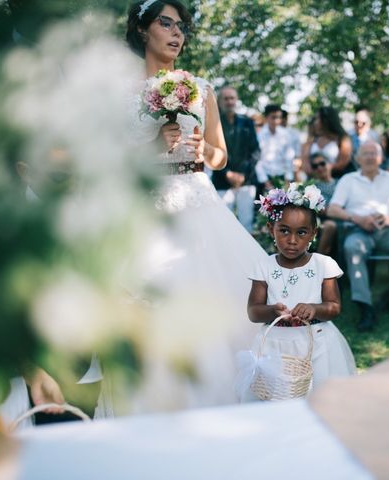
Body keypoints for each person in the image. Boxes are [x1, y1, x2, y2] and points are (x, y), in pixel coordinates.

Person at [125, 0, 267, 410]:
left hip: (198, 197)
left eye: (181, 27)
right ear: (141, 30)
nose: (176, 34)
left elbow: (222, 156)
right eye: (165, 23)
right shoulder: (121, 94)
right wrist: (154, 143)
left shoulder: (200, 87)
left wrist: (201, 147)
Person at [245, 184, 356, 396]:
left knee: (319, 396)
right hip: (274, 345)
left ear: (313, 233)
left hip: (316, 343)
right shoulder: (264, 266)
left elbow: (334, 307)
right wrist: (272, 311)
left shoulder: (323, 265)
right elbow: (253, 311)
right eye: (284, 231)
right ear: (271, 229)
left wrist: (314, 308)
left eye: (301, 232)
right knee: (276, 396)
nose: (292, 240)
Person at [327, 142, 389, 332]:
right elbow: (333, 209)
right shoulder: (348, 179)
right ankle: (365, 307)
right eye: (366, 153)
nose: (370, 157)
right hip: (358, 230)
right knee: (352, 249)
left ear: (381, 158)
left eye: (374, 153)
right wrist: (357, 218)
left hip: (388, 230)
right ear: (357, 158)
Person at [214, 86, 260, 232]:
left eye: (232, 98)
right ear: (219, 101)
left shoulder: (247, 122)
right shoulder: (214, 123)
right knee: (222, 224)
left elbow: (256, 151)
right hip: (222, 180)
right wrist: (227, 173)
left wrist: (243, 175)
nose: (229, 101)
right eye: (225, 98)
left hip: (246, 181)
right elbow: (211, 151)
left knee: (247, 225)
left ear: (236, 100)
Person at [302, 106, 353, 179]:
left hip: (335, 180)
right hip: (313, 182)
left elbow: (343, 163)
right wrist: (312, 169)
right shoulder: (312, 139)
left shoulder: (343, 139)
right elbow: (305, 161)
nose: (315, 122)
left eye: (317, 119)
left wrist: (327, 168)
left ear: (326, 120)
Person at [255, 104, 296, 190]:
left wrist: (288, 180)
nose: (277, 121)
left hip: (283, 178)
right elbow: (257, 160)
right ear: (266, 118)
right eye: (273, 117)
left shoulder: (286, 134)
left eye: (279, 117)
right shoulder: (259, 136)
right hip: (265, 179)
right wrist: (265, 181)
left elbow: (289, 158)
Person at [310, 152, 338, 255]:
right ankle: (318, 263)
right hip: (321, 219)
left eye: (322, 163)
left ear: (330, 164)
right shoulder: (311, 186)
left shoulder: (341, 183)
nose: (319, 168)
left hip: (341, 217)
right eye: (315, 166)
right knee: (329, 226)